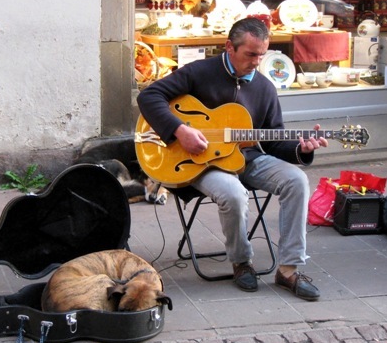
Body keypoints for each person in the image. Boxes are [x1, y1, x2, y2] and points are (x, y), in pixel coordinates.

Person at [137, 17, 328, 299]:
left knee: (296, 180)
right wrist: (180, 131)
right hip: (202, 161)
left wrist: (301, 150)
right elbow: (149, 96)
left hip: (247, 158)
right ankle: (241, 262)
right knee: (234, 194)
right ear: (229, 47)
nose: (256, 61)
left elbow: (273, 137)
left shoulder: (264, 88)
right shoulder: (199, 72)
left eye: (261, 55)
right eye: (250, 54)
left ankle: (288, 269)